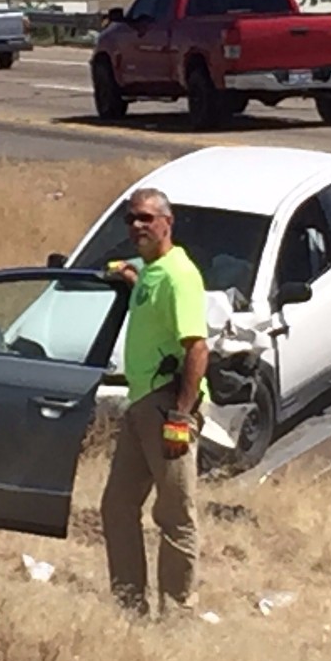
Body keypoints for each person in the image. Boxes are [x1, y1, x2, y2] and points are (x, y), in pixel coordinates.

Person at [100, 187, 210, 618]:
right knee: (117, 506)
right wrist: (131, 275)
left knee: (175, 514)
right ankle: (129, 606)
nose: (137, 226)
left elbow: (197, 349)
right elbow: (145, 279)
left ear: (168, 222)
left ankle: (179, 613)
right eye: (131, 219)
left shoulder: (180, 275)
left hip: (167, 405)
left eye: (146, 218)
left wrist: (180, 417)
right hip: (140, 403)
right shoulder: (152, 271)